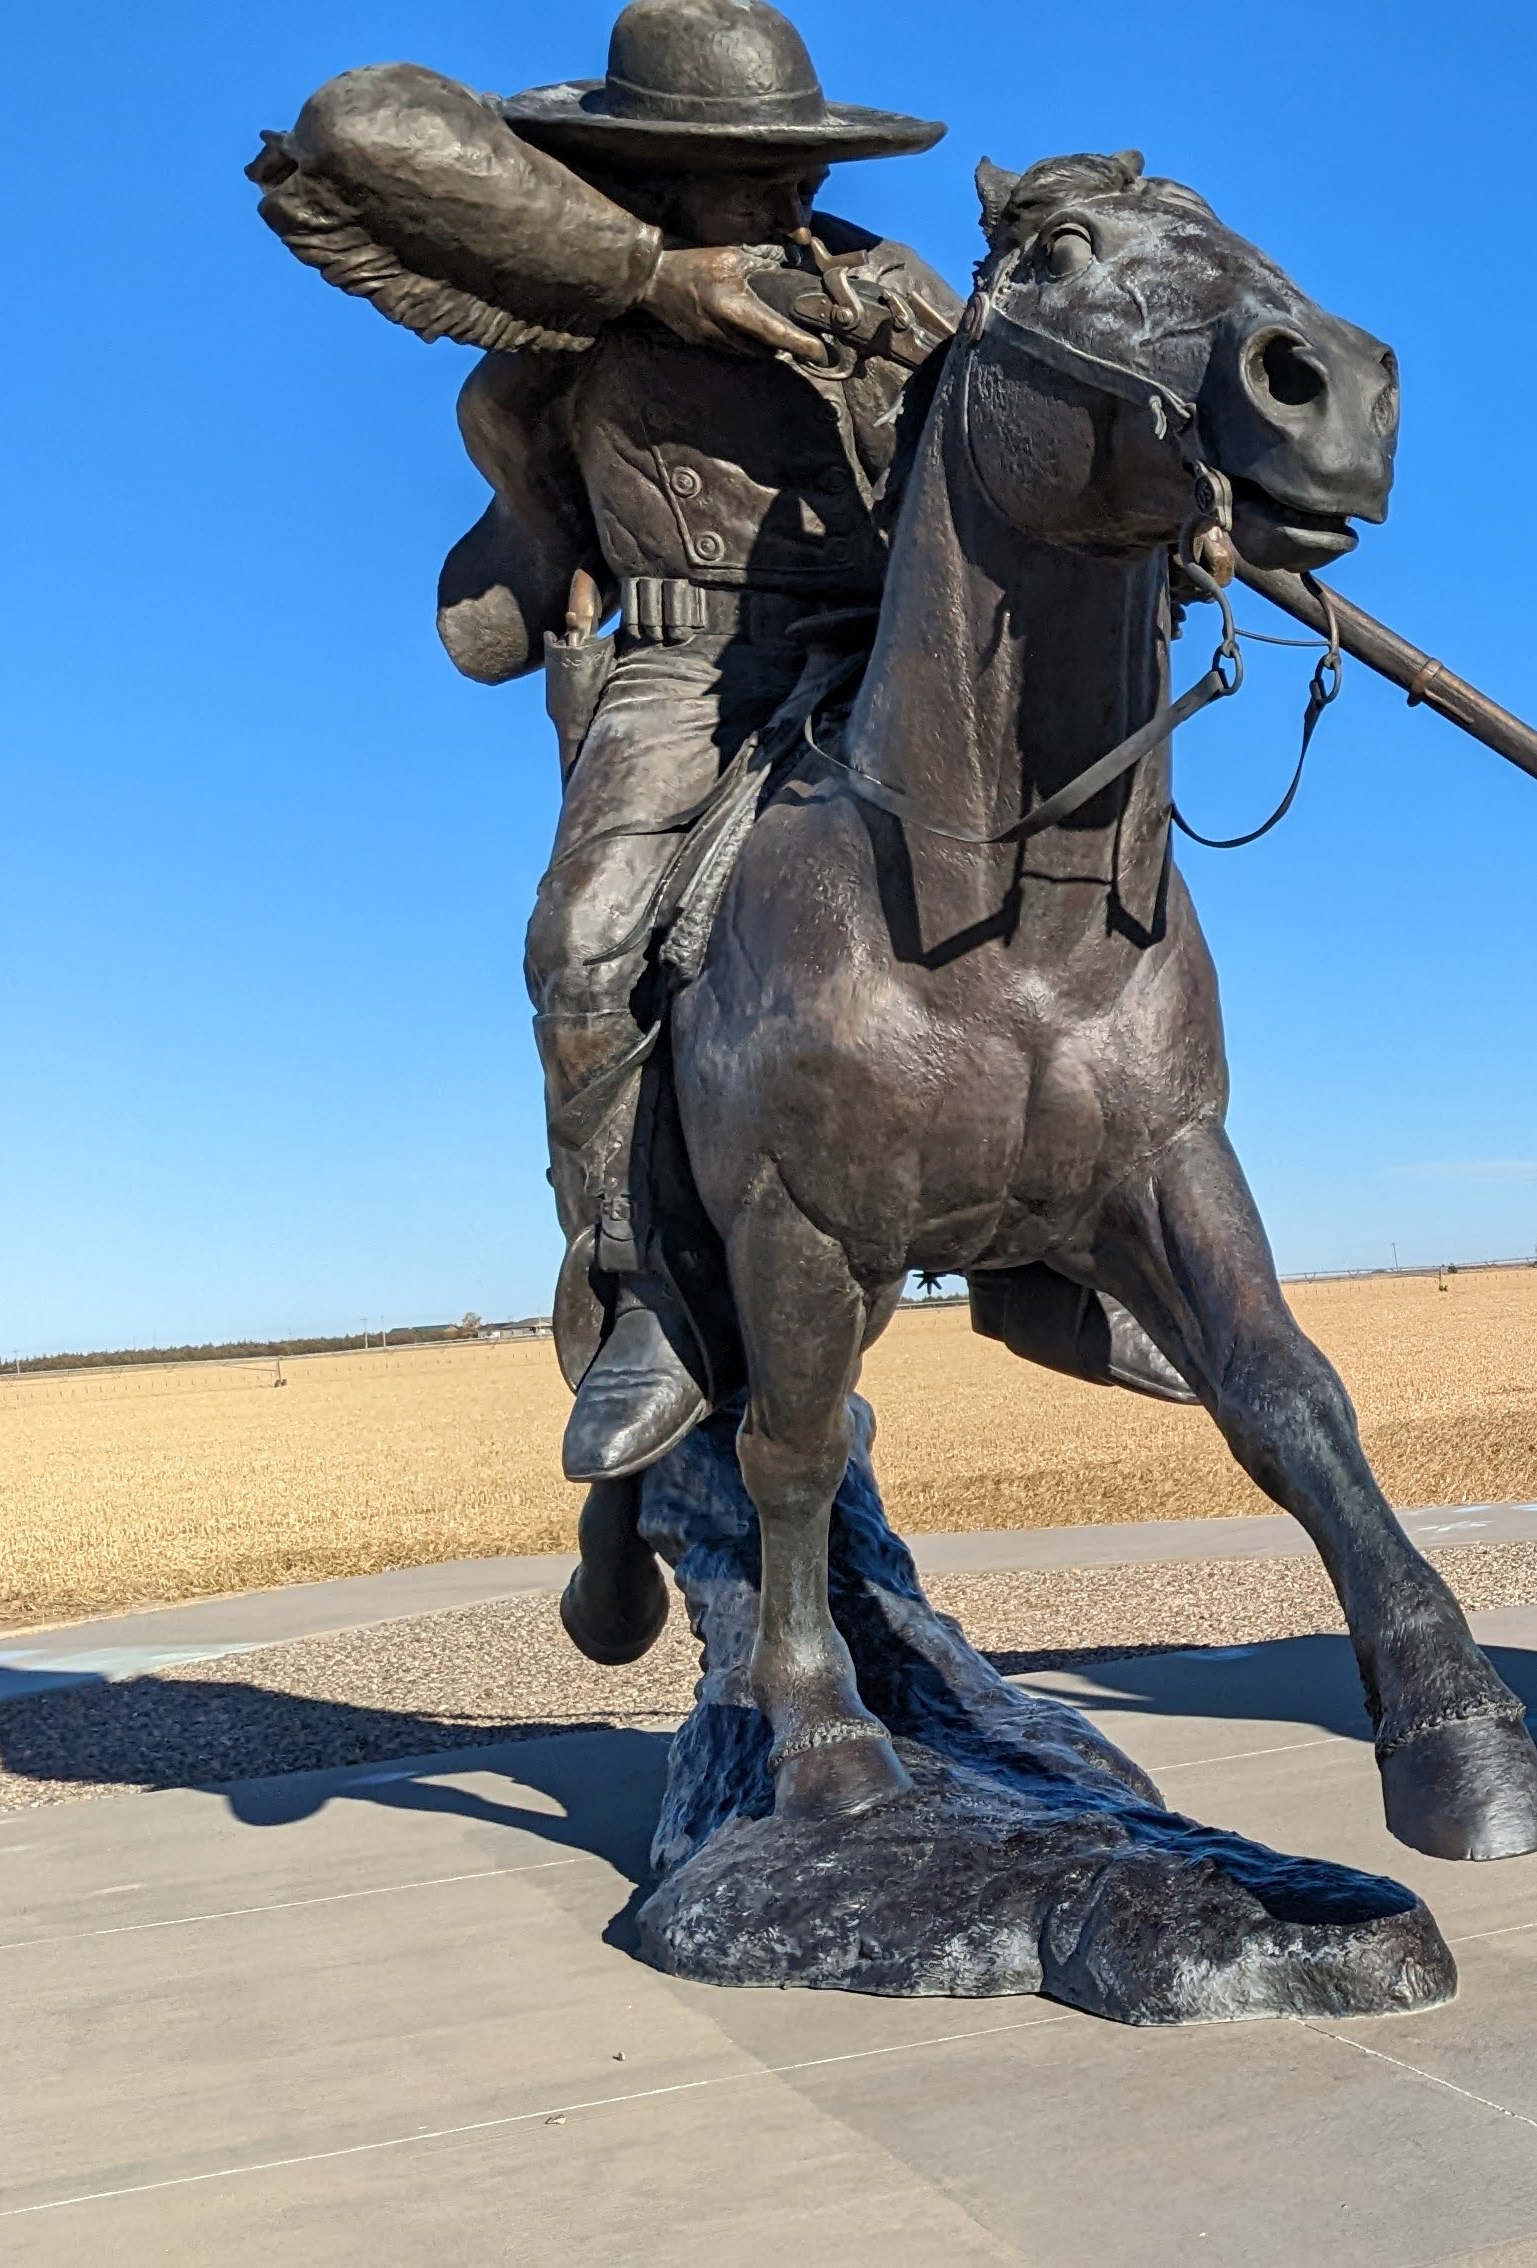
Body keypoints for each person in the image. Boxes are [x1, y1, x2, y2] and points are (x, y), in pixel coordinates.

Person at [251, 0, 1184, 1482]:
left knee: (1064, 883)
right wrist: (656, 279)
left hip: (902, 656)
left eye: (789, 167)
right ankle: (652, 1292)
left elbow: (1034, 424)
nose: (779, 199)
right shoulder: (579, 307)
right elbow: (357, 120)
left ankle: (1049, 1259)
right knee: (584, 939)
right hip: (689, 667)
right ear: (659, 170)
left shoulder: (894, 282)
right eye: (732, 171)